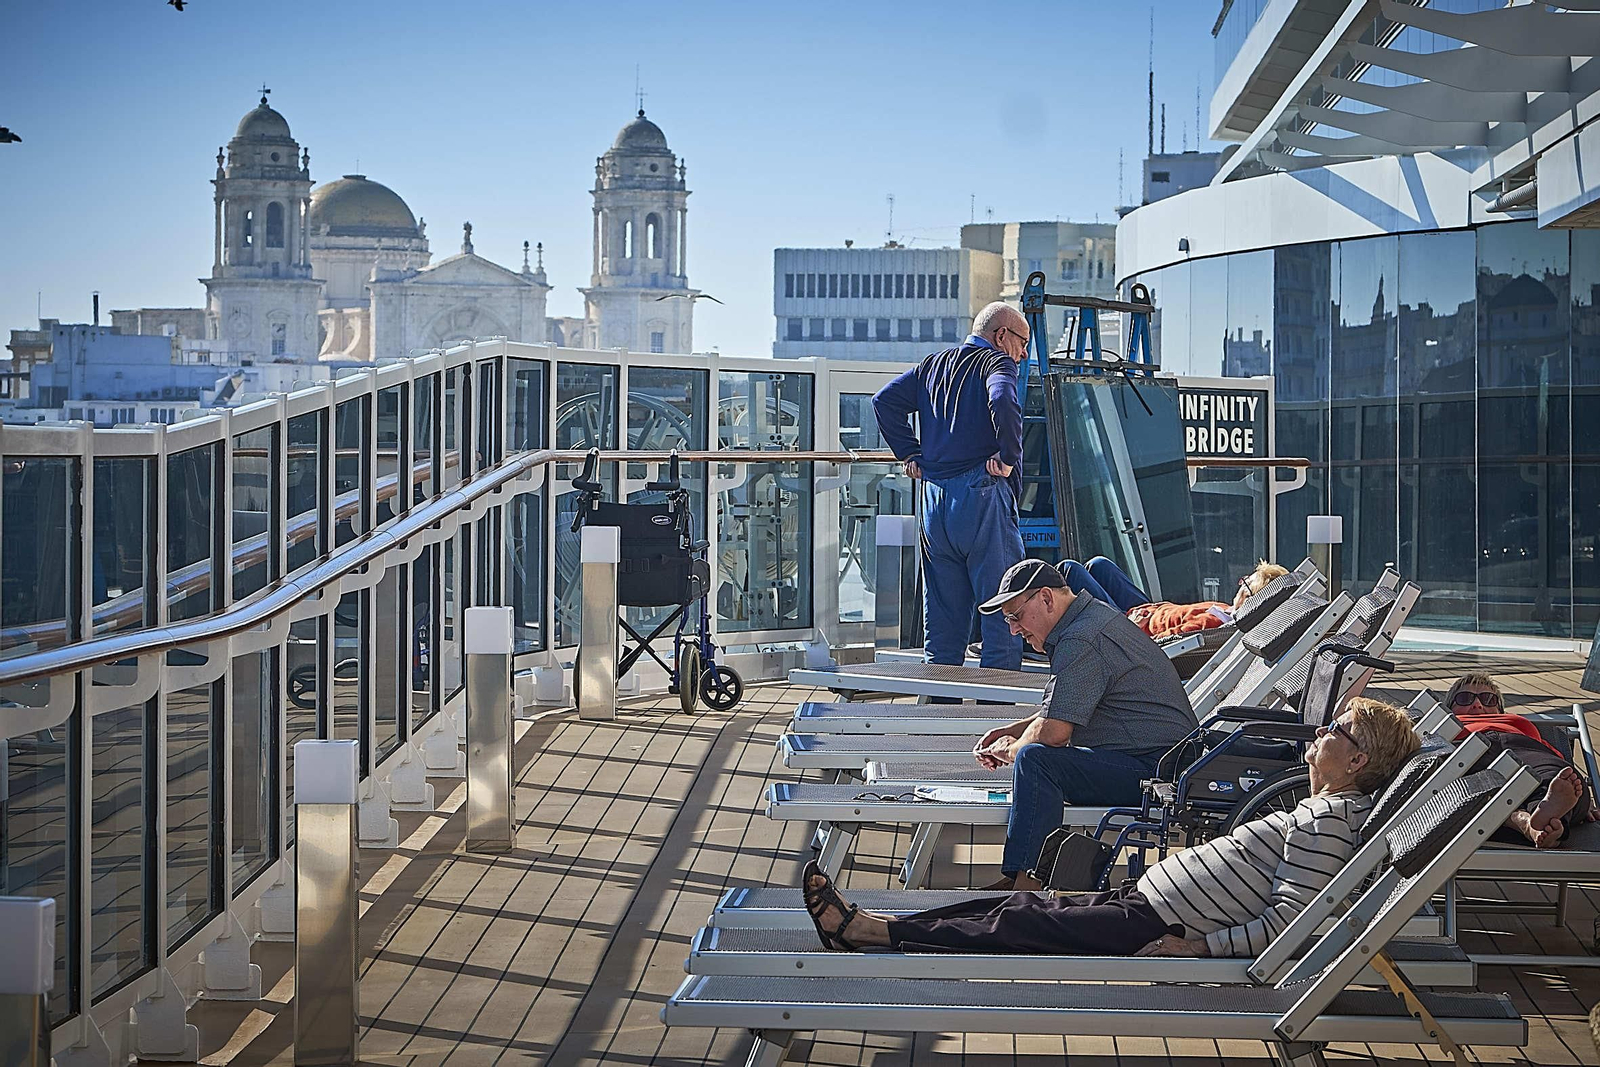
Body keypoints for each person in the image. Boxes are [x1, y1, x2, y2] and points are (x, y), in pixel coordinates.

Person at [803, 697, 1420, 957]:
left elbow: (1292, 923)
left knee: (1021, 920)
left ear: (1358, 761)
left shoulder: (1332, 821)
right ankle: (875, 928)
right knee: (1017, 907)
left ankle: (868, 933)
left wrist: (1201, 947)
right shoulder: (1320, 810)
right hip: (1154, 897)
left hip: (1162, 923)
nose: (1319, 734)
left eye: (1334, 732)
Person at [969, 558, 1200, 890]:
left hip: (1154, 770)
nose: (1013, 629)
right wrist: (1015, 730)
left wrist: (1012, 748)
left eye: (1015, 616)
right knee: (1034, 757)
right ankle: (1028, 877)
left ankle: (1027, 883)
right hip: (1158, 759)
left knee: (1036, 761)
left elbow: (1053, 734)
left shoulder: (1081, 638)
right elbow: (1067, 708)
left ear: (1046, 598)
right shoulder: (1091, 620)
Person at [872, 302, 1029, 671]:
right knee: (1004, 610)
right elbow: (1003, 398)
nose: (1022, 354)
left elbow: (884, 401)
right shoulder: (996, 363)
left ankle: (938, 717)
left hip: (933, 502)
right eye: (1022, 342)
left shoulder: (932, 365)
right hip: (981, 498)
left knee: (941, 619)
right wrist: (1008, 457)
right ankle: (996, 718)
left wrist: (910, 454)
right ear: (1001, 335)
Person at [1443, 673, 1596, 847]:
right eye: (1464, 699)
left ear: (1500, 710)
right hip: (1466, 746)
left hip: (1521, 744)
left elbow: (1554, 759)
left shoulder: (1516, 723)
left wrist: (1580, 798)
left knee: (1556, 775)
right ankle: (1544, 824)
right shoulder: (1442, 725)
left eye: (1488, 699)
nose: (1477, 705)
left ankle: (1540, 818)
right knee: (1459, 791)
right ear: (1449, 709)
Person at [1059, 557, 1289, 641]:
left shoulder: (1216, 624)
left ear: (1249, 596)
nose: (1240, 585)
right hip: (1148, 613)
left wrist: (1131, 627)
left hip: (1129, 632)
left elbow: (1171, 639)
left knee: (1070, 571)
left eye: (1245, 583)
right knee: (1099, 566)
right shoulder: (1225, 611)